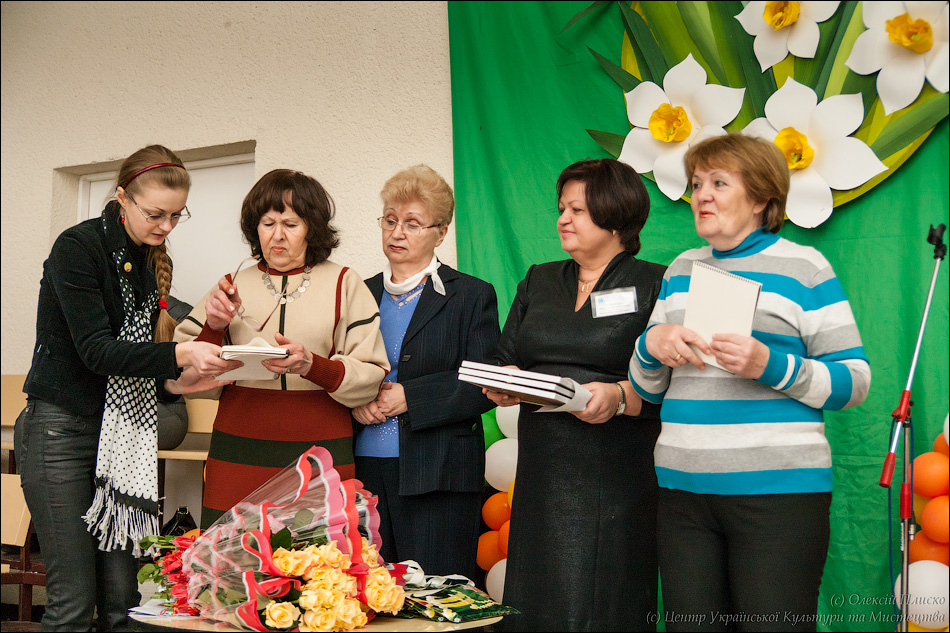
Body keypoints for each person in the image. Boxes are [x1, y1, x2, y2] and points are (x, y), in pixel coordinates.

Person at [628, 133, 871, 632]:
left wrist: (769, 364)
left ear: (761, 198)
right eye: (697, 184)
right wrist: (651, 345)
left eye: (719, 183)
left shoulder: (805, 268)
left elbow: (854, 382)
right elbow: (648, 388)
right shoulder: (681, 269)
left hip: (778, 497)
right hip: (683, 496)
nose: (702, 195)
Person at [15, 145, 234, 632]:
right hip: (60, 432)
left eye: (177, 215)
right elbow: (97, 352)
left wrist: (180, 382)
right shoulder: (78, 247)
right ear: (121, 197)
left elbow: (138, 364)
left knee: (124, 601)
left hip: (119, 438)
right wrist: (180, 354)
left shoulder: (148, 259)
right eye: (155, 214)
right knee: (73, 602)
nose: (166, 226)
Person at [485, 158, 666, 631]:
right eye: (562, 209)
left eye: (578, 210)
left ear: (616, 217)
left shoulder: (655, 283)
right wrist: (504, 384)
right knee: (537, 600)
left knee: (606, 602)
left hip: (616, 474)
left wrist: (620, 395)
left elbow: (678, 386)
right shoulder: (540, 279)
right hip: (542, 470)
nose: (563, 219)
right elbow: (507, 357)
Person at [175, 169, 389, 528]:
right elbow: (181, 371)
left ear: (312, 229)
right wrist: (213, 327)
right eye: (267, 223)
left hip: (319, 452)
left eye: (290, 224)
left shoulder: (344, 282)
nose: (277, 235)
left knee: (319, 557)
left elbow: (371, 375)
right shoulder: (230, 284)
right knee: (231, 554)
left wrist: (311, 365)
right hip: (238, 448)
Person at [352, 165, 500, 581]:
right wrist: (353, 400)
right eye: (390, 220)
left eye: (412, 223)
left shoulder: (471, 294)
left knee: (434, 595)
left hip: (439, 472)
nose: (397, 232)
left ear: (441, 232)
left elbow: (484, 381)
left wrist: (412, 398)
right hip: (363, 470)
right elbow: (339, 367)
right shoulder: (359, 292)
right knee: (368, 595)